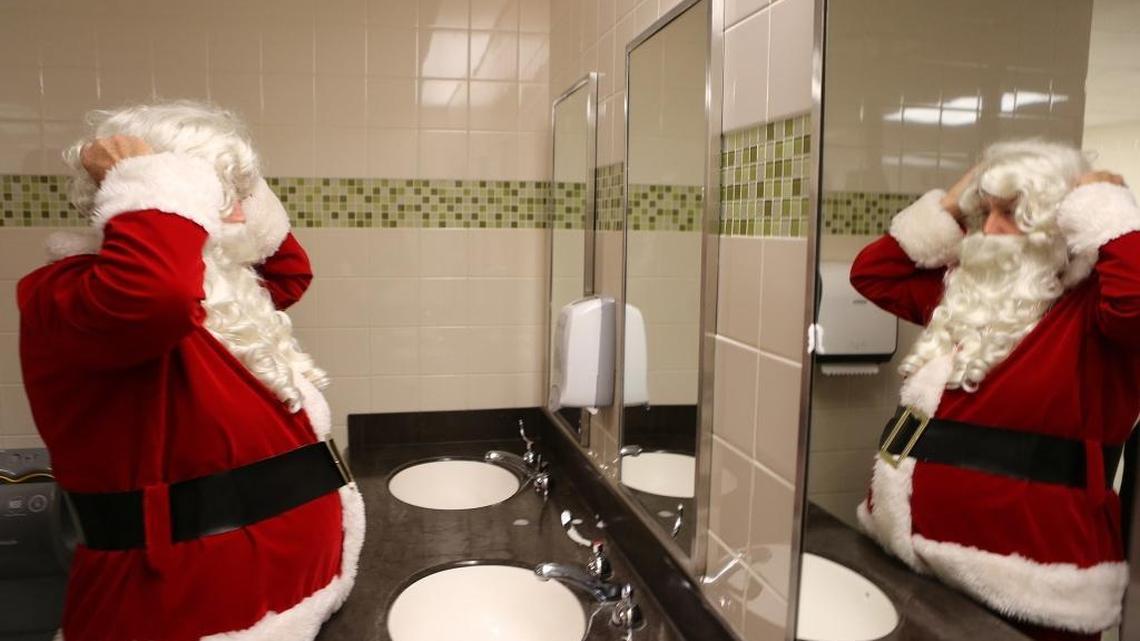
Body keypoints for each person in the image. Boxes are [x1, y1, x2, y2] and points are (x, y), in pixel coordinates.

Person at [18, 101, 364, 640]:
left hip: (296, 603)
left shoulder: (222, 299)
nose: (238, 210)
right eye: (212, 190)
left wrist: (238, 179)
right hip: (181, 618)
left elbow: (288, 270)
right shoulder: (74, 296)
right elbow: (154, 293)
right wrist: (145, 174)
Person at [850, 139, 1140, 641]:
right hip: (917, 561)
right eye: (984, 211)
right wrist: (952, 202)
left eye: (1010, 212)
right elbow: (874, 274)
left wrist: (1104, 209)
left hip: (1032, 588)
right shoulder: (971, 293)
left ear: (1060, 220)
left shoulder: (1095, 312)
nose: (989, 229)